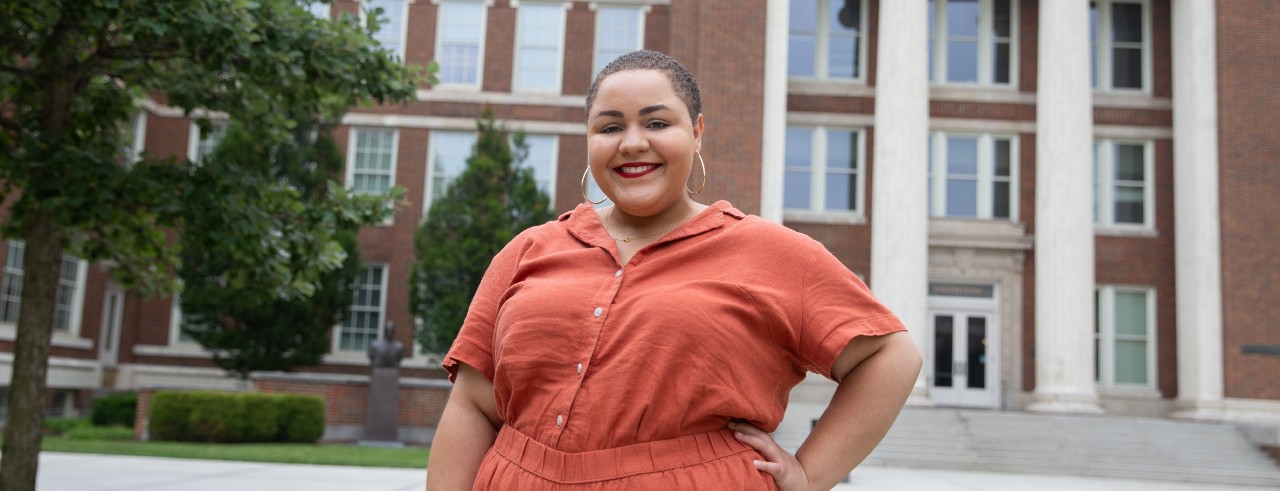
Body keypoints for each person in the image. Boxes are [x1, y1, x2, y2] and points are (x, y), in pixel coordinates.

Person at [426, 50, 922, 491]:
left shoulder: (771, 252)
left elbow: (891, 356)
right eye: (610, 126)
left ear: (697, 133)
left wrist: (811, 474)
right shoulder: (529, 249)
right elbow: (474, 404)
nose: (632, 143)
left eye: (657, 123)